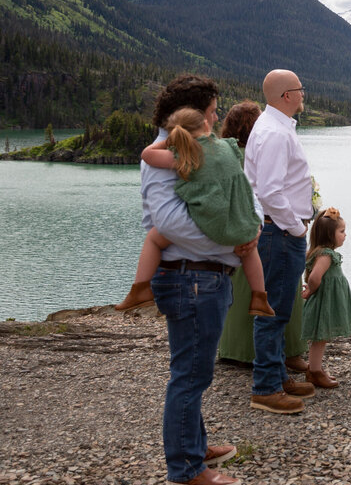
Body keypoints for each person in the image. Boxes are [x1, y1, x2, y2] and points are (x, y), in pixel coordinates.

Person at [141, 74, 249, 485]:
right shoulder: (164, 151)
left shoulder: (183, 147)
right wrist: (232, 239)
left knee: (194, 370)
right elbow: (166, 221)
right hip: (191, 277)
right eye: (213, 108)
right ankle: (185, 470)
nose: (218, 115)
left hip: (200, 277)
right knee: (190, 374)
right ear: (196, 111)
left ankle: (194, 445)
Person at [115, 107, 274, 318]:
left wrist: (170, 142)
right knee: (249, 251)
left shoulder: (188, 156)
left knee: (154, 237)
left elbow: (147, 155)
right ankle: (259, 297)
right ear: (207, 126)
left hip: (214, 220)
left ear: (177, 135)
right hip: (241, 218)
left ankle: (140, 288)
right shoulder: (227, 146)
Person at [216, 101, 309, 371]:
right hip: (268, 227)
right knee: (276, 291)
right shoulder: (262, 147)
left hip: (240, 227)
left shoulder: (229, 154)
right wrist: (297, 224)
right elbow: (269, 191)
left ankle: (237, 349)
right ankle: (286, 351)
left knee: (243, 291)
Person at [245, 69, 316, 414]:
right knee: (273, 312)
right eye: (300, 89)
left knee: (281, 308)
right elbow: (270, 191)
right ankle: (266, 388)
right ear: (286, 96)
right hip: (280, 232)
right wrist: (297, 228)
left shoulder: (275, 126)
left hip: (278, 231)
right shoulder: (274, 133)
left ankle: (276, 376)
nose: (304, 94)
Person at [301, 207, 351, 388]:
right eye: (341, 231)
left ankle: (315, 368)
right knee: (320, 338)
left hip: (327, 300)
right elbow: (315, 277)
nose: (345, 235)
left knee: (321, 338)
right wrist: (310, 290)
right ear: (329, 234)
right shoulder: (326, 255)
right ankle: (314, 372)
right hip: (324, 302)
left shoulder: (323, 253)